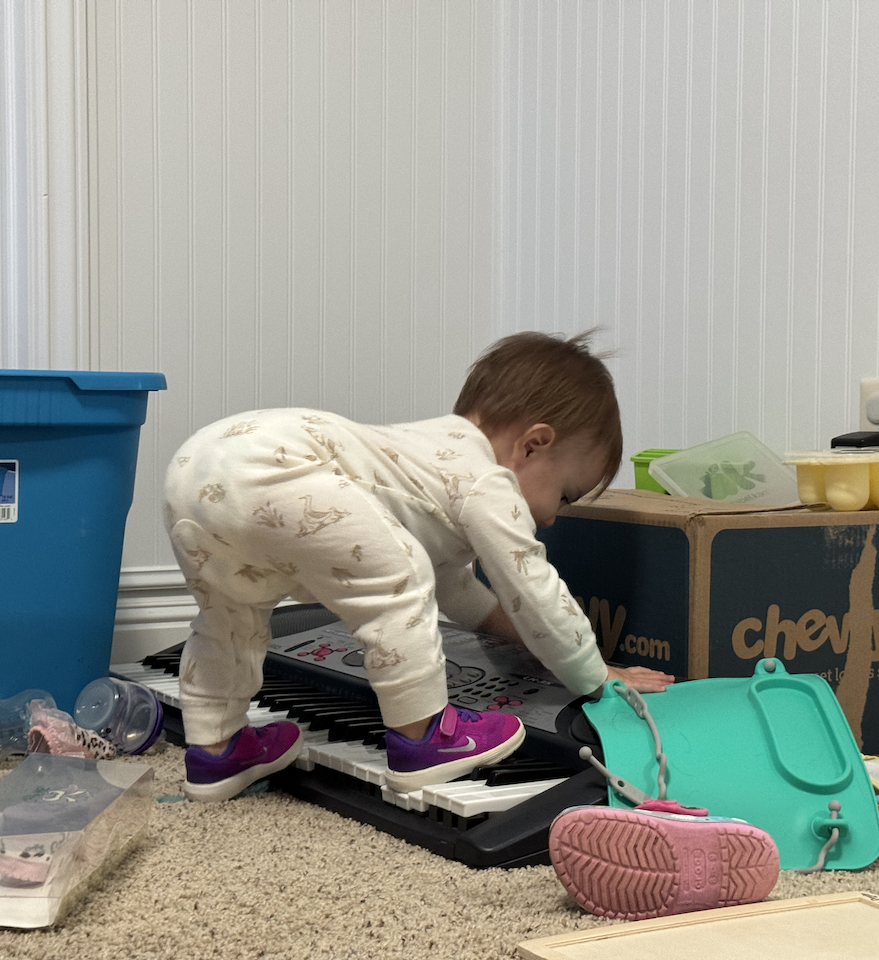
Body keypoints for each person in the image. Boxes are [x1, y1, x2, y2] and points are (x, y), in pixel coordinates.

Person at [163, 329, 673, 801]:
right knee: (400, 576)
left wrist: (524, 639)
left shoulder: (428, 462)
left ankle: (217, 749)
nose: (554, 518)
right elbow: (531, 584)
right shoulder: (486, 478)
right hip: (272, 465)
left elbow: (461, 591)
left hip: (196, 472)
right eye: (565, 494)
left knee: (232, 616)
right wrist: (595, 672)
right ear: (533, 445)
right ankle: (423, 736)